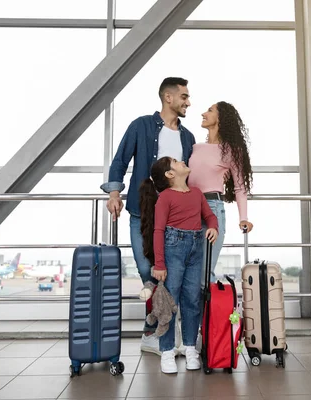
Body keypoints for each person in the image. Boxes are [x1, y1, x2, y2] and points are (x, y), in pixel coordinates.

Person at [100, 77, 196, 355]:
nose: (188, 102)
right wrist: (115, 193)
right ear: (168, 97)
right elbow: (120, 159)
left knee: (170, 274)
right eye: (184, 97)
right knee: (147, 271)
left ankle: (160, 332)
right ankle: (152, 329)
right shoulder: (141, 126)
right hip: (141, 211)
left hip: (176, 218)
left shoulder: (187, 137)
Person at [139, 156, 218, 374]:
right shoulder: (165, 197)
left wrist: (213, 227)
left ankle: (190, 347)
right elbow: (158, 231)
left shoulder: (196, 194)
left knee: (192, 299)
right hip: (173, 248)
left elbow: (209, 216)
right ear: (170, 174)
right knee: (169, 302)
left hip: (195, 248)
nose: (181, 161)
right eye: (175, 161)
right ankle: (167, 351)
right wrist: (160, 264)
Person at [188, 101, 254, 282]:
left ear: (221, 118)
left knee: (203, 274)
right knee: (188, 272)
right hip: (188, 209)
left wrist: (243, 218)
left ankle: (206, 311)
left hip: (211, 208)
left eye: (209, 110)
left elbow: (240, 187)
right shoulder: (195, 147)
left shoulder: (232, 151)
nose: (203, 113)